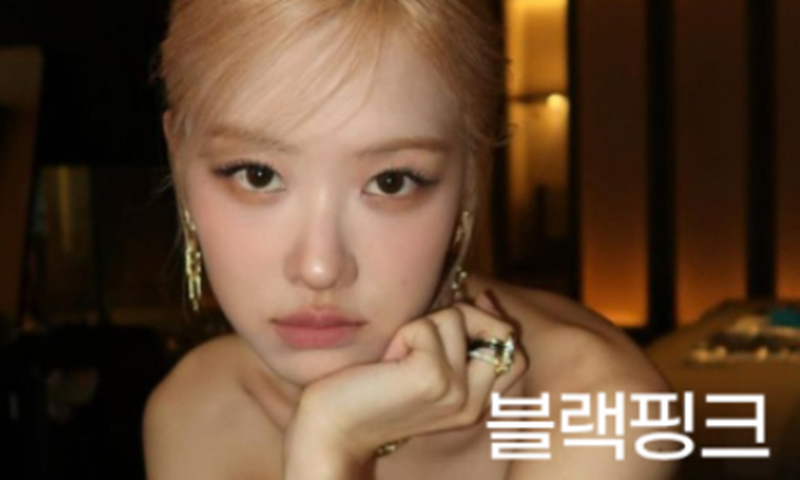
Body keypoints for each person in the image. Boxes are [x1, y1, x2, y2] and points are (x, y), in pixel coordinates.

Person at [143, 1, 676, 479]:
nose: (320, 266)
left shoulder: (600, 409)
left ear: (470, 178)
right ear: (178, 160)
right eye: (258, 176)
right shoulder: (200, 408)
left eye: (391, 181)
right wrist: (329, 442)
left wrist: (332, 440)